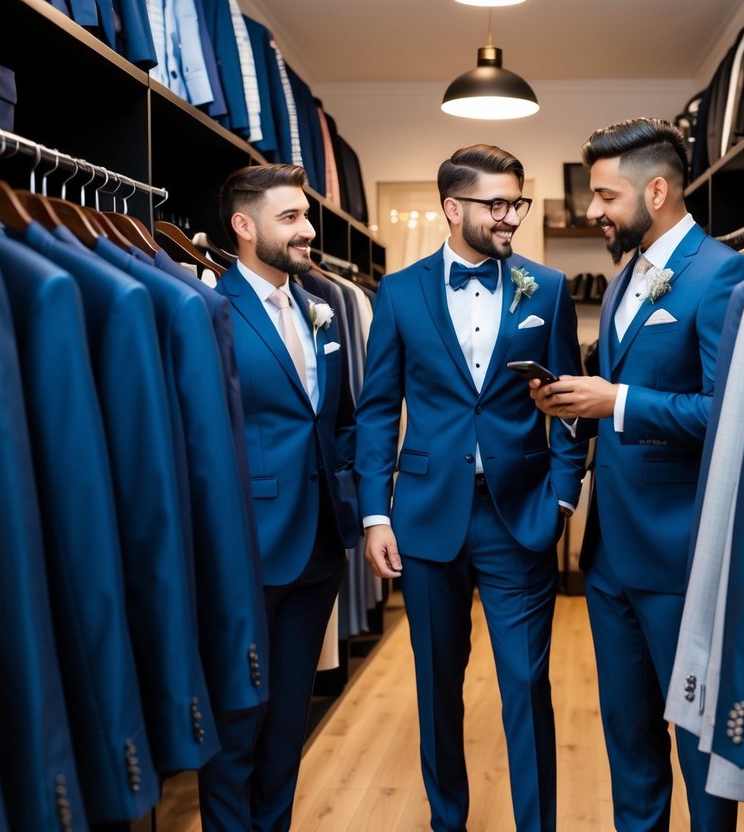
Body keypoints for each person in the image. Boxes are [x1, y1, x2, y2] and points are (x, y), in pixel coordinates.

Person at [530, 118, 744, 831]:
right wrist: (576, 398)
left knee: (695, 750)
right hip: (609, 556)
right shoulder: (630, 272)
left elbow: (731, 413)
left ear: (655, 190)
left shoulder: (724, 275)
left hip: (680, 555)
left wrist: (617, 400)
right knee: (628, 744)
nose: (591, 210)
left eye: (603, 195)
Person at [355, 144, 587, 832]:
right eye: (495, 203)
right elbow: (375, 410)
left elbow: (571, 403)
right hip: (425, 519)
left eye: (515, 202)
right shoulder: (397, 292)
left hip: (520, 515)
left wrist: (564, 496)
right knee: (437, 687)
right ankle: (446, 822)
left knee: (525, 684)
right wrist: (375, 515)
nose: (509, 215)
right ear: (452, 208)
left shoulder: (544, 288)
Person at [200, 163, 361, 831]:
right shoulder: (209, 311)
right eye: (289, 216)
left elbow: (340, 416)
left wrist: (353, 498)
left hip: (319, 546)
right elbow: (199, 435)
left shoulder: (318, 303)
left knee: (287, 724)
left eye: (305, 214)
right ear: (243, 226)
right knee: (238, 727)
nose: (307, 228)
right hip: (246, 548)